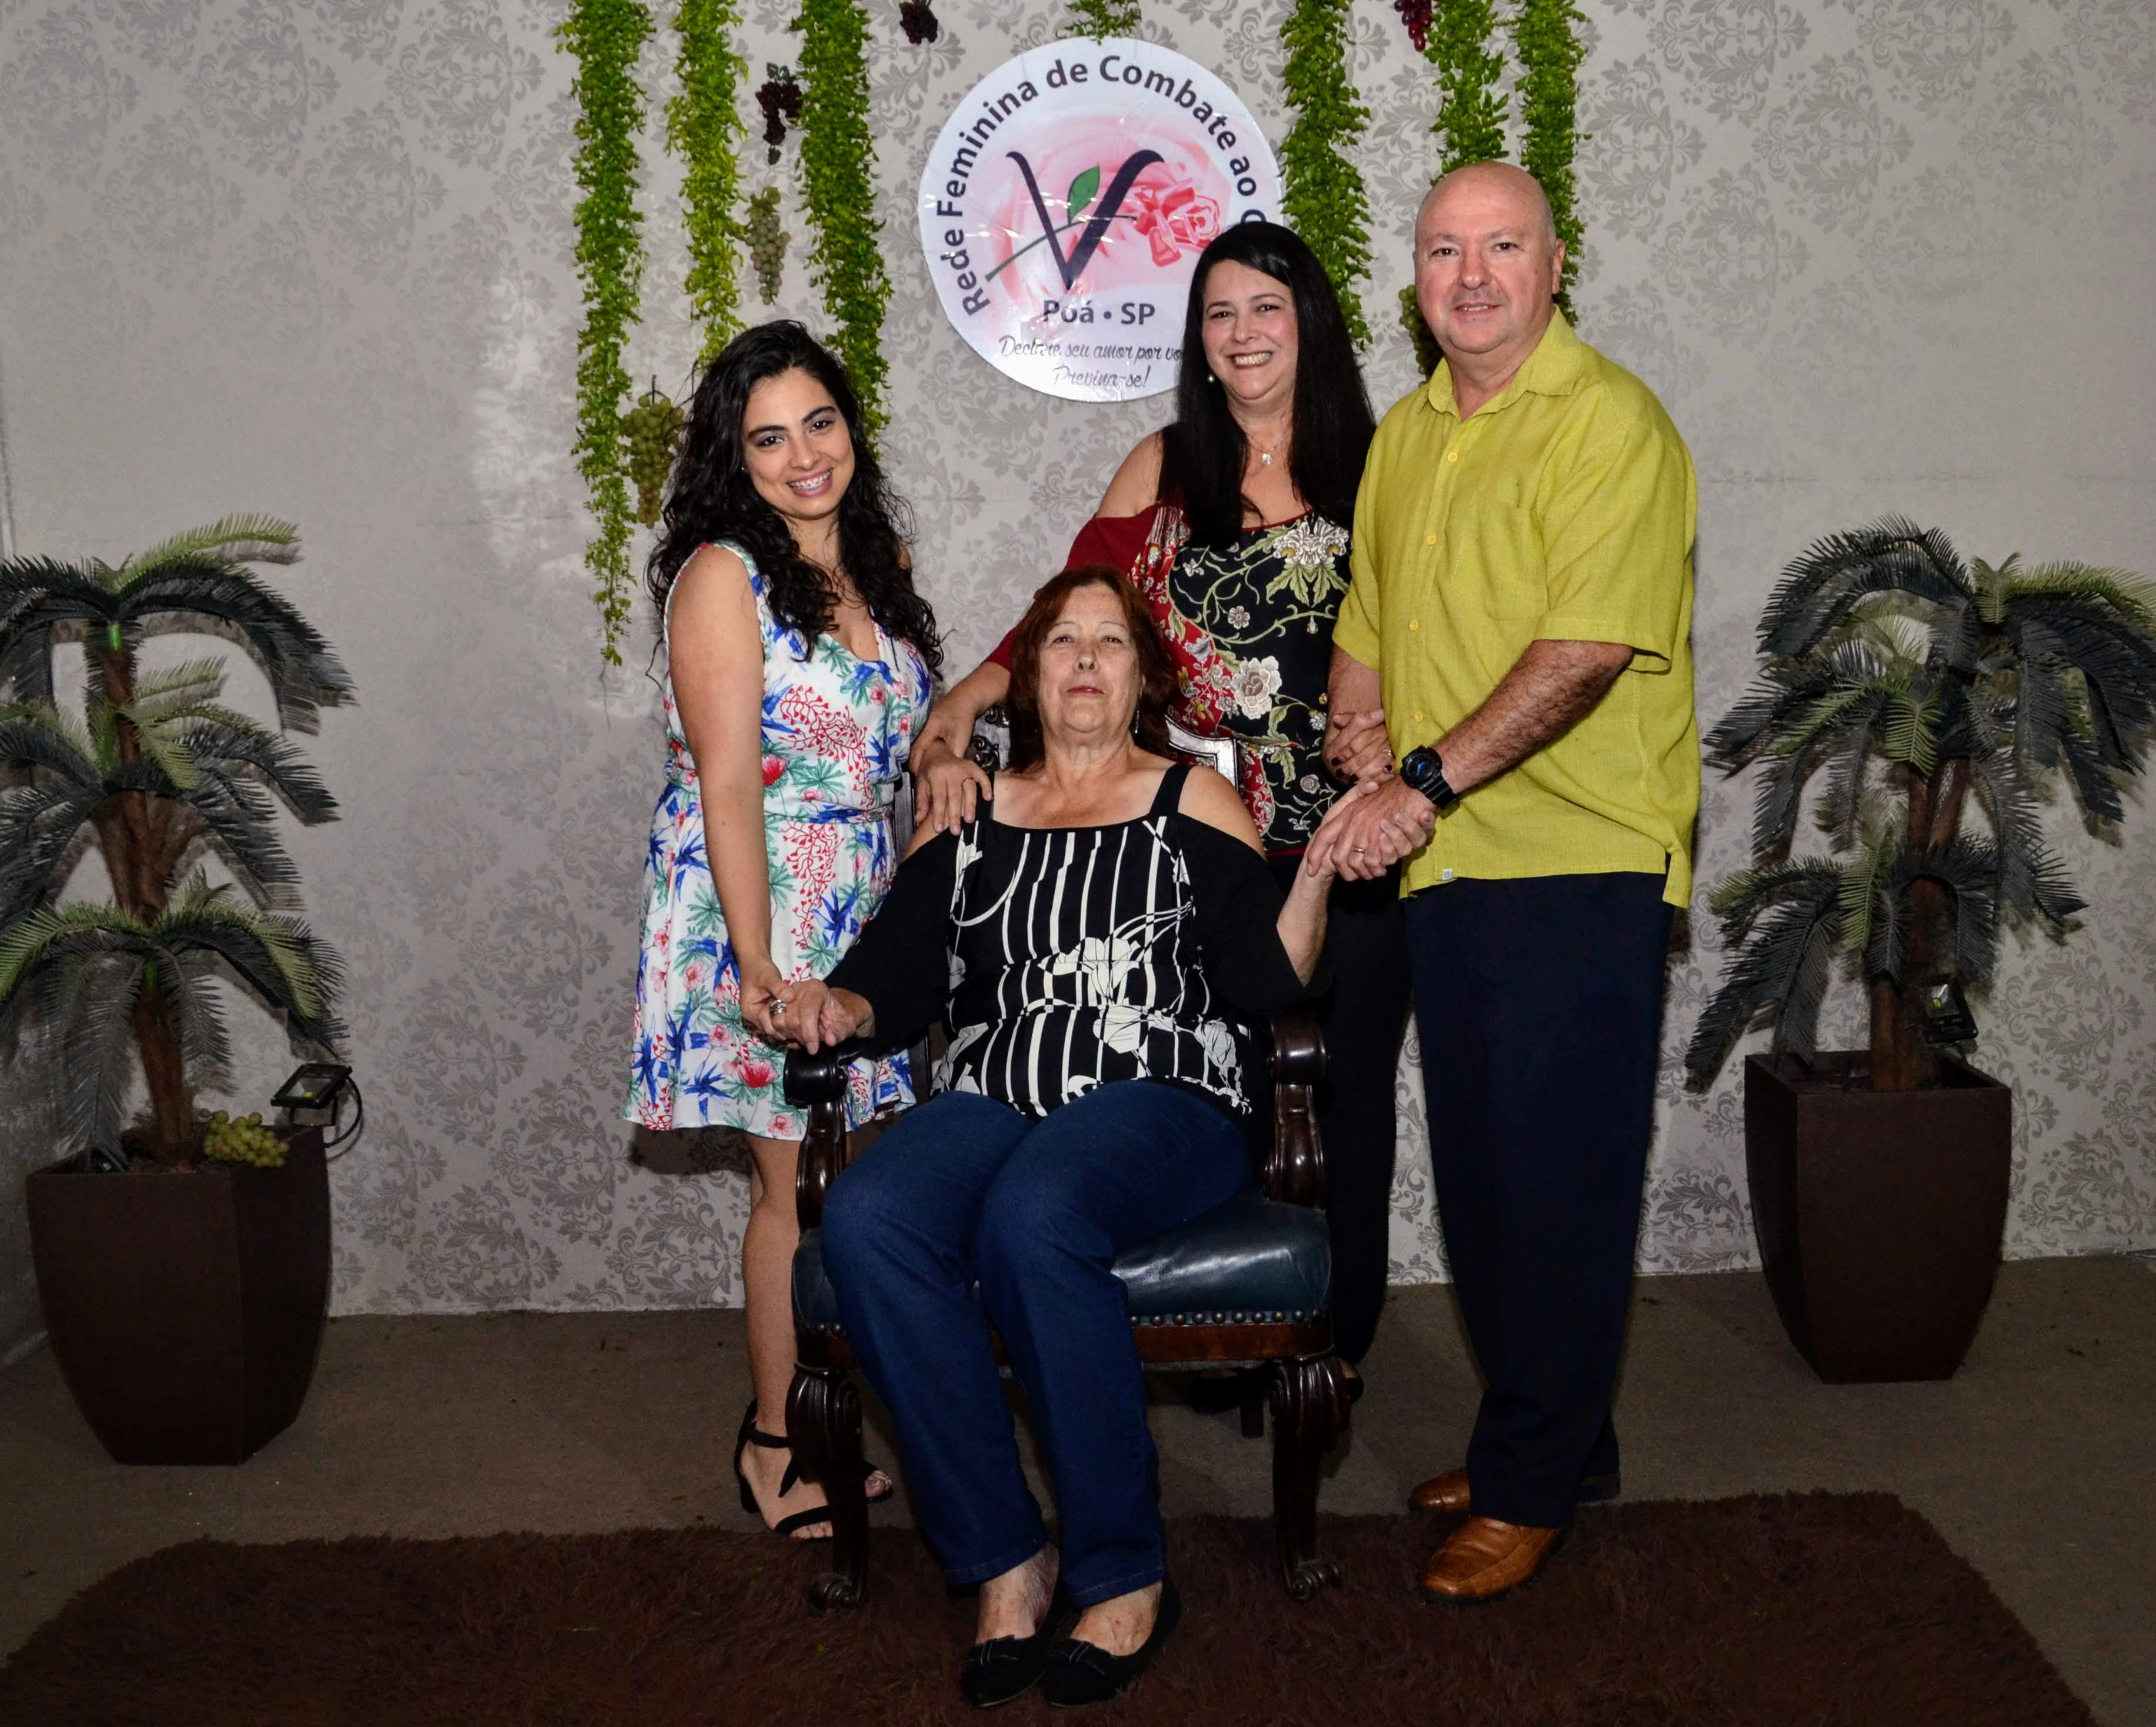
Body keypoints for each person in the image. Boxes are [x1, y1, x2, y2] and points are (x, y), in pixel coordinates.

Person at [758, 567, 1371, 1708]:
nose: (1086, 660)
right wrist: (834, 1004)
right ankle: (1002, 1555)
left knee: (1038, 1212)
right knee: (873, 1218)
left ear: (1142, 681)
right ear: (1029, 679)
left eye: (1111, 642)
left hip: (1165, 1093)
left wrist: (1319, 875)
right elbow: (892, 972)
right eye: (1061, 643)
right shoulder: (971, 813)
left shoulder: (1194, 798)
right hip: (996, 1092)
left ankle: (1124, 1568)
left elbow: (1262, 978)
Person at [909, 221, 1409, 1386]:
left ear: (1310, 324)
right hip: (1200, 853)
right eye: (1219, 313)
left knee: (1348, 1099)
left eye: (1266, 308)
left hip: (1348, 844)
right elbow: (1070, 614)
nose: (1243, 333)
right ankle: (1230, 1337)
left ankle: (1331, 1343)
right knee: (1218, 1095)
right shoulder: (1165, 465)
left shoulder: (1384, 469)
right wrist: (958, 708)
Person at [1323, 161, 1700, 1602]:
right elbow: (1368, 621)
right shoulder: (1409, 433)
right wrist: (1361, 728)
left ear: (1554, 267)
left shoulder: (1609, 423)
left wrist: (1418, 782)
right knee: (1487, 1177)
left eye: (1500, 247)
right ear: (1414, 278)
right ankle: (1558, 1441)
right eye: (1443, 250)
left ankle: (1534, 1480)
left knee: (1561, 1179)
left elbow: (1582, 653)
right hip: (1450, 863)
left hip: (1575, 853)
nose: (1470, 276)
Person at [624, 320, 941, 1539]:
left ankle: (827, 1414)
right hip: (756, 896)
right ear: (733, 457)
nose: (804, 455)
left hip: (861, 896)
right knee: (792, 1188)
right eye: (768, 438)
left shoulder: (878, 560)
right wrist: (758, 963)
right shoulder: (722, 575)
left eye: (819, 423)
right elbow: (728, 785)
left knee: (852, 1181)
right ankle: (774, 1442)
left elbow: (895, 742)